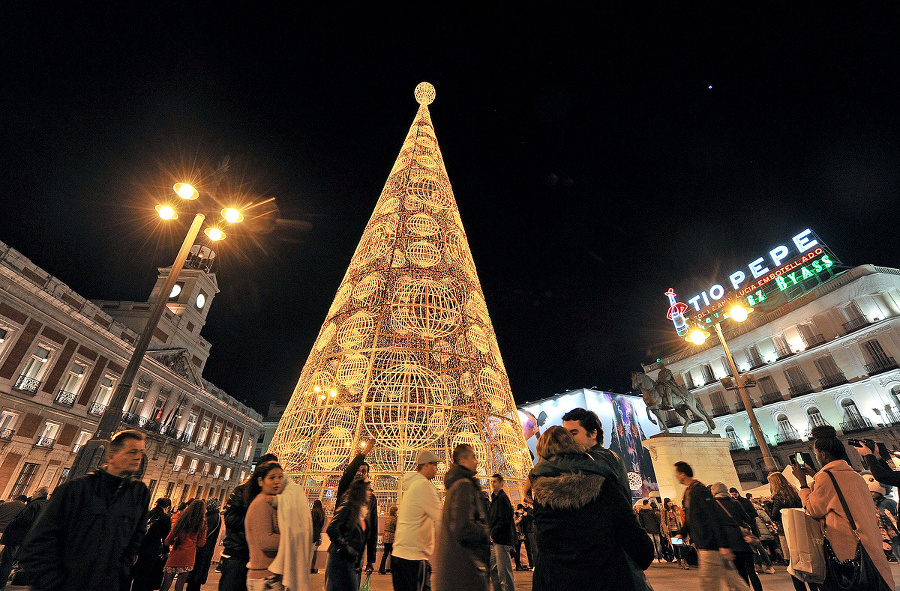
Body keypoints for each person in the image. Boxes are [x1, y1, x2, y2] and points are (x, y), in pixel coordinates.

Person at [16, 429, 150, 591]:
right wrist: (53, 582)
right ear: (111, 456)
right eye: (132, 452)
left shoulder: (139, 493)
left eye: (141, 452)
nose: (138, 457)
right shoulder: (75, 489)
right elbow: (38, 541)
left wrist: (118, 574)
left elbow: (135, 538)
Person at [529, 426, 652, 590]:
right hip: (608, 580)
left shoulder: (541, 498)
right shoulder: (604, 484)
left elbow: (544, 552)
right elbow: (638, 544)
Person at [794, 425, 894, 590]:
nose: (817, 456)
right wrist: (815, 475)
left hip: (847, 549)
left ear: (823, 454)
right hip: (870, 543)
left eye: (817, 453)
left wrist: (803, 484)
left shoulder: (826, 478)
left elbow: (813, 509)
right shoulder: (855, 475)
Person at [433, 444, 491, 591]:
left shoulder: (455, 485)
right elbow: (463, 527)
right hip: (464, 572)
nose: (477, 461)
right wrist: (486, 531)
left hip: (456, 572)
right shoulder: (464, 485)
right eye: (474, 457)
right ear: (463, 461)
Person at [220, 452, 277, 591]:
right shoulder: (242, 491)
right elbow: (230, 518)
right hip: (238, 554)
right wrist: (256, 520)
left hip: (260, 558)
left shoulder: (273, 497)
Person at [674, 461, 735, 591]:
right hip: (707, 545)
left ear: (683, 474)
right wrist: (682, 532)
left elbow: (713, 517)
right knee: (735, 583)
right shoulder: (689, 492)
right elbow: (691, 517)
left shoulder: (699, 490)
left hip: (709, 546)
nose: (676, 476)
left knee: (707, 584)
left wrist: (723, 545)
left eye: (677, 473)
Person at [392, 449, 443, 591]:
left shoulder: (412, 486)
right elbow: (442, 519)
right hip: (413, 558)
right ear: (425, 465)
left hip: (399, 556)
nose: (436, 468)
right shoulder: (424, 486)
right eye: (433, 464)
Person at [561, 407, 630, 498]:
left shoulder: (603, 458)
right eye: (566, 434)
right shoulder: (605, 457)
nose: (568, 439)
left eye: (574, 433)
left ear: (593, 433)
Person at [710, 482, 763, 591]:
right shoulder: (735, 503)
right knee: (751, 572)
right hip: (743, 540)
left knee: (740, 573)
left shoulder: (713, 505)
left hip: (729, 542)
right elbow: (748, 519)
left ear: (715, 491)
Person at [767, 472, 816, 591]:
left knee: (792, 564)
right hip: (799, 528)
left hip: (785, 530)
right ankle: (813, 587)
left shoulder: (778, 496)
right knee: (805, 560)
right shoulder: (794, 493)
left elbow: (774, 516)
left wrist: (767, 505)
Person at [336, 444, 378, 574]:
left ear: (368, 475)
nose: (360, 473)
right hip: (340, 551)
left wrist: (370, 560)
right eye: (358, 470)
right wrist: (363, 453)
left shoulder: (371, 498)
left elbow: (373, 528)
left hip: (358, 554)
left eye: (364, 471)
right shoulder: (345, 491)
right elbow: (348, 473)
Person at [269, 474, 313, 591]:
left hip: (294, 544)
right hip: (297, 544)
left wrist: (274, 500)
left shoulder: (293, 490)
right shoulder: (293, 492)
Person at [245, 461, 285, 591]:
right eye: (272, 478)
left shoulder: (270, 502)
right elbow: (265, 541)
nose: (277, 481)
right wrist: (292, 538)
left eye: (280, 477)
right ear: (261, 481)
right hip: (264, 578)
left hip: (269, 576)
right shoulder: (261, 504)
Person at [326, 479, 370, 591]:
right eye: (368, 489)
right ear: (361, 491)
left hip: (348, 561)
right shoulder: (348, 507)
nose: (370, 492)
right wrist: (347, 549)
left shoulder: (360, 511)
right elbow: (332, 529)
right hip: (340, 561)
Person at [0, 487, 49, 587]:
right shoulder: (46, 505)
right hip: (28, 538)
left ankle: (1, 583)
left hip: (17, 536)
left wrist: (13, 522)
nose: (33, 493)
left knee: (7, 560)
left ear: (39, 494)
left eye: (35, 491)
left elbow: (24, 519)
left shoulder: (35, 504)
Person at [161, 499, 207, 591]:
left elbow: (168, 540)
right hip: (189, 556)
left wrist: (169, 543)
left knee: (166, 582)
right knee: (180, 584)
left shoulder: (181, 520)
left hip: (176, 553)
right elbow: (201, 544)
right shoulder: (201, 524)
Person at [131, 498, 173, 591]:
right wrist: (165, 551)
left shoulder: (146, 514)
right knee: (143, 576)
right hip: (152, 549)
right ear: (167, 507)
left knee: (133, 573)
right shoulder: (165, 518)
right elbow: (165, 537)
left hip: (139, 546)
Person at [861, 471, 900, 562]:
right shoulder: (865, 504)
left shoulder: (888, 502)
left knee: (896, 546)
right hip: (876, 532)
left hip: (891, 531)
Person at [487, 473, 516, 591]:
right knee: (493, 568)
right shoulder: (496, 498)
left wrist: (493, 533)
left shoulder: (502, 498)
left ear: (501, 483)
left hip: (502, 540)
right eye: (492, 481)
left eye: (495, 482)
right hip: (498, 539)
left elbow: (503, 520)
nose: (492, 484)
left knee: (504, 572)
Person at [185, 498, 222, 591]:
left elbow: (204, 534)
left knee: (196, 574)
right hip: (207, 549)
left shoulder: (211, 518)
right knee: (198, 574)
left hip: (203, 549)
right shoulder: (216, 517)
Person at [662, 499, 687, 569]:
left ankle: (683, 561)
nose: (670, 504)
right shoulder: (664, 511)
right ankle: (679, 561)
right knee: (675, 546)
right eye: (669, 503)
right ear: (666, 503)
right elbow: (663, 521)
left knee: (680, 545)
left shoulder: (675, 510)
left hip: (677, 529)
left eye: (671, 503)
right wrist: (666, 530)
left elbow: (678, 519)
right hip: (671, 530)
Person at [378, 505, 397, 574]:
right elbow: (397, 527)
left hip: (385, 538)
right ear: (394, 512)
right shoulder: (394, 519)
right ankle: (392, 569)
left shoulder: (387, 518)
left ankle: (381, 569)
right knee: (392, 554)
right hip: (391, 538)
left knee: (385, 554)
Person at [310, 500, 326, 574]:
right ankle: (314, 568)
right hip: (317, 533)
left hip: (311, 533)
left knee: (309, 552)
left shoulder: (313, 513)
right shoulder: (322, 514)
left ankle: (309, 567)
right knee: (314, 552)